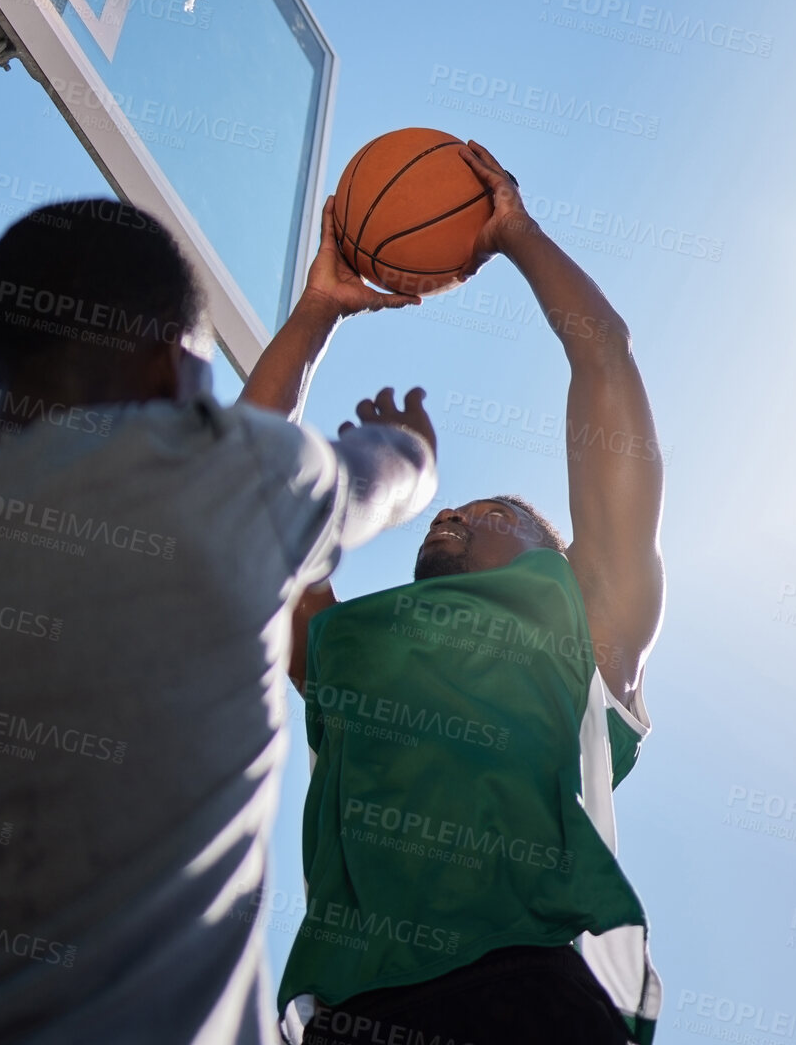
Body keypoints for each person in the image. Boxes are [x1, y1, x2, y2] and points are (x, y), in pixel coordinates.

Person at [0, 196, 436, 1045]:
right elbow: (380, 473)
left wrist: (312, 314)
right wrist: (413, 446)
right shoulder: (232, 489)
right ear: (169, 376)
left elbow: (199, 472)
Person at [276, 143, 666, 1045]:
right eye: (442, 510)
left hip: (526, 987)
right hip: (351, 1011)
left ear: (551, 554)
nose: (446, 514)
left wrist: (515, 234)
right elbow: (252, 494)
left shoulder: (584, 625)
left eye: (487, 511)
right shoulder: (347, 648)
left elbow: (602, 357)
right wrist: (317, 311)